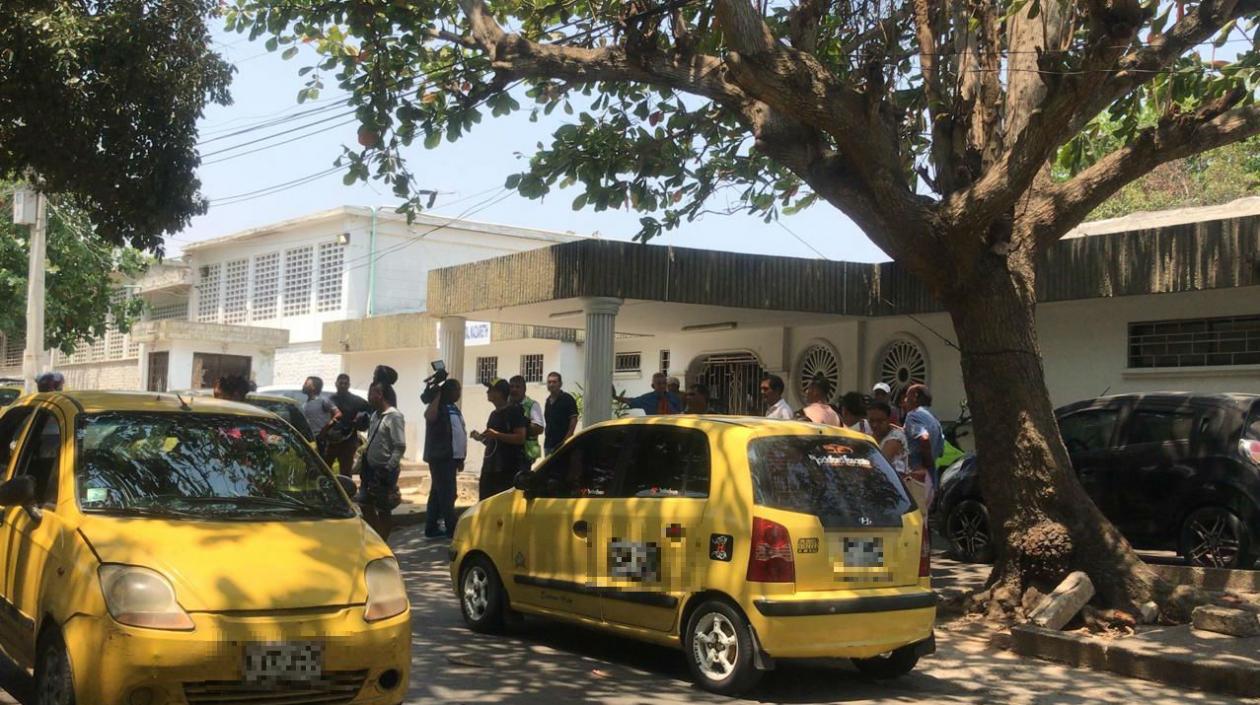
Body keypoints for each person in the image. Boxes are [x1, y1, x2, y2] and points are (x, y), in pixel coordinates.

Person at [356, 379, 405, 540]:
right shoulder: (375, 416)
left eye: (371, 393)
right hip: (369, 469)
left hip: (384, 470)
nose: (369, 397)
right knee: (364, 503)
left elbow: (400, 446)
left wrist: (389, 467)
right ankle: (376, 536)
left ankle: (382, 542)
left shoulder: (394, 416)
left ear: (379, 394)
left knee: (383, 508)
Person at [422, 377, 465, 540]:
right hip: (440, 457)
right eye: (456, 389)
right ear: (448, 391)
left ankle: (431, 527)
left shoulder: (453, 408)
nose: (459, 392)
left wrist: (460, 457)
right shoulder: (438, 407)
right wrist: (437, 395)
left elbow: (457, 433)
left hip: (451, 458)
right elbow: (429, 416)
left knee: (437, 493)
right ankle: (452, 528)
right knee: (448, 493)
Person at [473, 379, 528, 500]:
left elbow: (520, 438)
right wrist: (480, 438)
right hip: (490, 468)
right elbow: (492, 442)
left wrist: (497, 435)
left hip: (507, 468)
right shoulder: (493, 414)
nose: (487, 392)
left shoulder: (514, 411)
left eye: (490, 390)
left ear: (499, 393)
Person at [902, 383, 944, 513]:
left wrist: (926, 462)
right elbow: (941, 449)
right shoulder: (933, 418)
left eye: (906, 397)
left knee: (915, 521)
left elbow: (923, 438)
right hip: (931, 478)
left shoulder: (913, 416)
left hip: (918, 478)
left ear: (914, 396)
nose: (904, 401)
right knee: (923, 522)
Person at [324, 374, 370, 477]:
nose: (343, 385)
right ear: (336, 384)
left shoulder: (356, 400)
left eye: (345, 383)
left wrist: (361, 420)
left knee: (345, 472)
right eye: (341, 383)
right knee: (325, 470)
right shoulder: (330, 399)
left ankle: (346, 492)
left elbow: (370, 410)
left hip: (348, 441)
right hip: (331, 441)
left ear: (349, 385)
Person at [508, 375, 545, 464]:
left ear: (524, 389)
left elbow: (539, 428)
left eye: (517, 387)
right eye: (511, 387)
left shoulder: (532, 405)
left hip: (526, 452)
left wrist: (522, 425)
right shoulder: (506, 404)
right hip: (508, 450)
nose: (514, 390)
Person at [868, 400, 908, 477]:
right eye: (871, 421)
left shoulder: (896, 437)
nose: (875, 425)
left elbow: (879, 464)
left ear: (889, 420)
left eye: (880, 421)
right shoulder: (871, 435)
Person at [543, 372, 579, 455]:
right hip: (548, 444)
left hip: (563, 444)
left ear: (560, 384)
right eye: (549, 382)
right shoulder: (548, 401)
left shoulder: (567, 399)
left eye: (554, 382)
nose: (551, 384)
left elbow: (573, 421)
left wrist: (566, 441)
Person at [614, 372, 682, 415]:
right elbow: (631, 401)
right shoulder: (647, 398)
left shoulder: (674, 398)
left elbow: (679, 413)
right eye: (659, 384)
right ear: (653, 386)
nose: (662, 386)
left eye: (664, 383)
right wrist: (615, 396)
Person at [301, 376, 337, 451]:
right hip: (310, 440)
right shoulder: (305, 404)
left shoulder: (323, 401)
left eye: (306, 383)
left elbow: (338, 414)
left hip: (321, 441)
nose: (303, 385)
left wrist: (325, 430)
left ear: (313, 387)